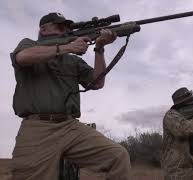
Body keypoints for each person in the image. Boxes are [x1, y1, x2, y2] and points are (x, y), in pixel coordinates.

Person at [10, 12, 130, 180]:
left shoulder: (72, 61)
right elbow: (22, 57)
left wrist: (99, 48)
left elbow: (97, 82)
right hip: (37, 128)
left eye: (68, 28)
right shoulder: (29, 44)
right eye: (60, 27)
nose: (65, 31)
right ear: (43, 30)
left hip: (70, 126)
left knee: (117, 156)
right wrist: (67, 47)